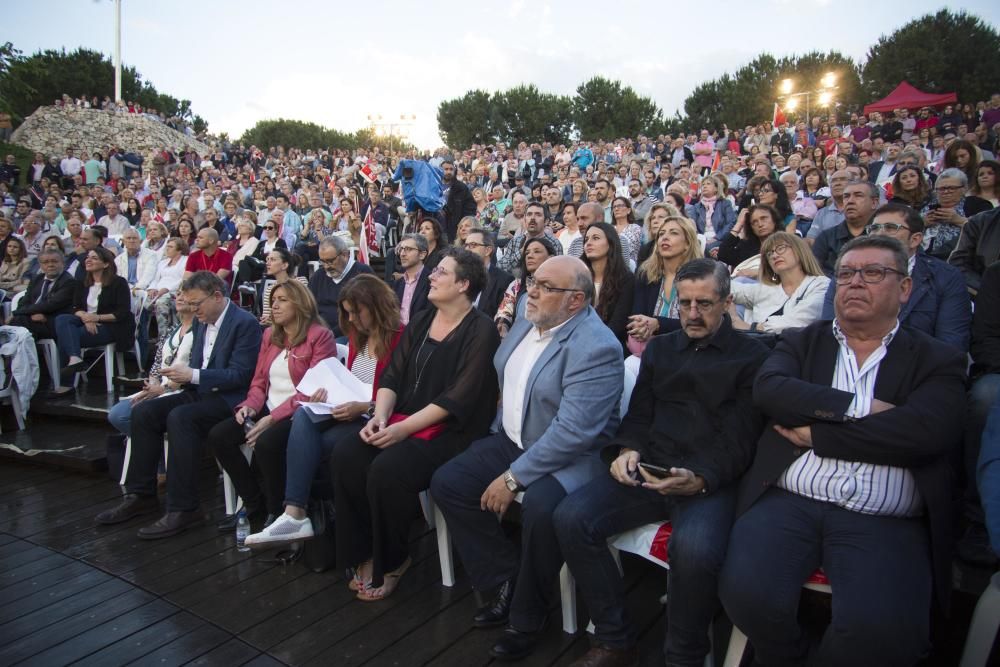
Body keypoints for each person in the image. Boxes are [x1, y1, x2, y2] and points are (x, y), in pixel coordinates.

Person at [719, 235, 968, 666]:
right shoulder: (803, 342)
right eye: (847, 273)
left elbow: (924, 432)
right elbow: (772, 391)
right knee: (746, 595)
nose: (855, 283)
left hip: (883, 518)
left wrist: (819, 436)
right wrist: (859, 408)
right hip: (789, 502)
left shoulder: (936, 359)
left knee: (881, 632)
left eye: (873, 273)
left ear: (904, 289)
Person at [554, 258, 769, 667]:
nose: (691, 313)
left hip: (710, 482)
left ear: (726, 303)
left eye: (704, 304)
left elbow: (742, 436)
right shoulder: (663, 349)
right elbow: (639, 413)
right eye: (684, 303)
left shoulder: (751, 357)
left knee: (694, 550)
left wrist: (702, 478)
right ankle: (615, 638)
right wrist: (626, 449)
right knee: (571, 518)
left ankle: (683, 656)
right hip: (651, 469)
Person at [430, 255, 623, 661]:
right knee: (449, 483)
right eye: (532, 280)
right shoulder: (529, 311)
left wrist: (512, 479)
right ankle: (507, 576)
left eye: (545, 286)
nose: (531, 290)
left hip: (573, 455)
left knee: (540, 507)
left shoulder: (597, 347)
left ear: (575, 301)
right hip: (516, 437)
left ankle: (527, 616)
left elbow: (574, 433)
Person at [331, 248, 500, 601]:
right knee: (347, 453)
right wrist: (379, 418)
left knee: (387, 469)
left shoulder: (481, 330)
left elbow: (458, 398)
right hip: (401, 417)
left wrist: (401, 430)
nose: (432, 276)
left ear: (463, 284)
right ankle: (364, 552)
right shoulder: (422, 318)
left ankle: (394, 559)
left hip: (453, 431)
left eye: (441, 272)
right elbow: (392, 375)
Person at [94, 272, 262, 539]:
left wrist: (191, 375)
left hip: (231, 400)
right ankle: (142, 494)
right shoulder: (201, 321)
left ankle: (184, 508)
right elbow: (197, 367)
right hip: (200, 390)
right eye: (190, 304)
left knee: (182, 418)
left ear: (217, 296)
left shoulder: (245, 323)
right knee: (145, 412)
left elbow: (240, 375)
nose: (193, 310)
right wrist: (177, 377)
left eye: (197, 304)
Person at [244, 275, 402, 546]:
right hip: (347, 409)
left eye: (356, 312)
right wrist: (327, 394)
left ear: (375, 306)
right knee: (305, 414)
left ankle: (303, 513)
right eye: (347, 313)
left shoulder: (400, 337)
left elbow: (403, 392)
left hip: (376, 415)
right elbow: (351, 381)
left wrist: (364, 406)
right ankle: (296, 511)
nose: (351, 320)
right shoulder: (358, 338)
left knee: (314, 446)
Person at [207, 280, 337, 528]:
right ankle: (253, 501)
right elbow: (258, 381)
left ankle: (276, 510)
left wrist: (272, 417)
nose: (274, 306)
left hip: (299, 411)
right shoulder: (270, 335)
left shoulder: (320, 336)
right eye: (273, 301)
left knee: (267, 443)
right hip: (268, 406)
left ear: (300, 303)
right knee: (219, 436)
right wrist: (250, 407)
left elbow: (311, 390)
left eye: (282, 300)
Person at [818, 203, 971, 351]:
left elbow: (952, 344)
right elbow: (829, 333)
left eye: (891, 228)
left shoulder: (946, 277)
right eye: (875, 228)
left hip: (919, 370)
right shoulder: (846, 274)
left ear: (915, 239)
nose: (879, 234)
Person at [106, 293, 196, 439]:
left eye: (186, 294)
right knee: (117, 414)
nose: (179, 297)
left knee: (128, 415)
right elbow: (156, 364)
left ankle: (154, 451)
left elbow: (193, 369)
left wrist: (162, 389)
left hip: (181, 391)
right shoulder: (171, 330)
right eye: (178, 293)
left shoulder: (201, 332)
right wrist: (152, 384)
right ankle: (153, 448)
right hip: (160, 388)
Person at [51, 247, 134, 396]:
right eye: (88, 257)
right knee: (62, 319)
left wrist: (96, 318)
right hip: (87, 321)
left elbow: (122, 313)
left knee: (68, 336)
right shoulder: (82, 282)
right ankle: (75, 358)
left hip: (112, 326)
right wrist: (86, 317)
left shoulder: (118, 283)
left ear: (106, 264)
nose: (88, 260)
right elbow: (75, 307)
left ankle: (66, 383)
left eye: (94, 258)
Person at [728, 232, 830, 334]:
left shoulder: (821, 284)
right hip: (759, 346)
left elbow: (799, 321)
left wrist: (749, 327)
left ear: (799, 251)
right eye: (770, 253)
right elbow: (728, 287)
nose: (775, 255)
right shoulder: (766, 289)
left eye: (780, 248)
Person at [628, 217, 703, 345]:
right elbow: (637, 316)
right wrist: (640, 326)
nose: (665, 237)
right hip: (651, 348)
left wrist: (658, 324)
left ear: (687, 244)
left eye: (673, 233)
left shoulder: (701, 276)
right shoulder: (645, 274)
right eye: (661, 234)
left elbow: (701, 323)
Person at [581, 222, 635, 347]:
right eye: (586, 239)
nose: (588, 243)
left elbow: (618, 325)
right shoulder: (578, 278)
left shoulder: (626, 279)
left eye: (596, 238)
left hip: (608, 346)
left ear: (610, 243)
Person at [309, 235, 372, 339]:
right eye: (322, 261)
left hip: (351, 332)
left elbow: (365, 313)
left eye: (330, 261)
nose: (326, 266)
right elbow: (308, 308)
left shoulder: (363, 274)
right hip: (319, 332)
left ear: (345, 255)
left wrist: (329, 335)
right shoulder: (318, 276)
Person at [812, 180, 879, 276]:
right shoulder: (826, 237)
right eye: (846, 196)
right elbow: (815, 272)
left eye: (858, 195)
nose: (850, 201)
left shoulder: (883, 234)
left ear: (874, 202)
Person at [922, 168, 991, 261]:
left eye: (951, 188)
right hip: (925, 258)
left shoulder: (978, 205)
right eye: (941, 189)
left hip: (963, 258)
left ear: (964, 189)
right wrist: (923, 223)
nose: (946, 192)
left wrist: (958, 220)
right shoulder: (927, 207)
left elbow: (988, 231)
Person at [495, 237, 558, 338]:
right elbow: (505, 310)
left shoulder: (559, 285)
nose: (530, 256)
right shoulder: (517, 284)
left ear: (550, 257)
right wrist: (503, 325)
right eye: (527, 253)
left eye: (536, 252)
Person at [8, 249, 77, 340]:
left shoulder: (69, 281)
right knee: (19, 323)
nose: (50, 265)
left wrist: (17, 313)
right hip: (33, 318)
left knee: (19, 321)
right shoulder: (37, 279)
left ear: (62, 263)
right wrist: (28, 314)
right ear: (40, 265)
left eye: (54, 261)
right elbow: (25, 300)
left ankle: (22, 353)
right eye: (46, 262)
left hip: (52, 321)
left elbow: (51, 305)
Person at [498, 201, 562, 275]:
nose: (532, 218)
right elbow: (500, 267)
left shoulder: (554, 243)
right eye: (529, 214)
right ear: (525, 219)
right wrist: (521, 251)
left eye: (538, 215)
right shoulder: (515, 241)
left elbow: (557, 272)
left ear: (546, 221)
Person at [717, 204, 785, 271]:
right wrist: (739, 224)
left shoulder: (788, 242)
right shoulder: (747, 247)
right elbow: (723, 254)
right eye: (754, 222)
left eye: (764, 218)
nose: (760, 224)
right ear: (751, 227)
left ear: (774, 220)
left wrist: (757, 273)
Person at [464, 228, 513, 320]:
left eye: (473, 245)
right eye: (466, 245)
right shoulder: (458, 275)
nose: (467, 249)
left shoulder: (504, 280)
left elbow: (500, 319)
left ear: (487, 250)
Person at [259, 248, 308, 326]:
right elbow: (267, 316)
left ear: (284, 265)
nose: (267, 263)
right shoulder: (270, 289)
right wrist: (266, 320)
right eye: (267, 259)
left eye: (272, 259)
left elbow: (304, 313)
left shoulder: (300, 282)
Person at [393, 233, 431, 326]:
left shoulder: (432, 281)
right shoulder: (397, 284)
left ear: (422, 255)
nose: (402, 254)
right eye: (401, 249)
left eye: (408, 249)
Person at [686, 175, 736, 246]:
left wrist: (717, 238)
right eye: (703, 185)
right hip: (701, 240)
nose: (704, 186)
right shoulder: (696, 207)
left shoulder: (725, 203)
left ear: (716, 188)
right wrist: (701, 239)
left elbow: (730, 223)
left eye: (708, 184)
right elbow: (692, 226)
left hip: (721, 239)